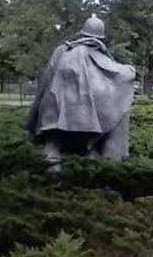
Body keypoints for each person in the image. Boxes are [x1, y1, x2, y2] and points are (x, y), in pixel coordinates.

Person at [27, 14, 136, 173]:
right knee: (101, 119)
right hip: (83, 114)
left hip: (55, 109)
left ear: (83, 32)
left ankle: (53, 159)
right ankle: (97, 160)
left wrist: (36, 115)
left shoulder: (62, 51)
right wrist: (130, 71)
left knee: (55, 133)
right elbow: (115, 72)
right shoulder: (97, 54)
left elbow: (45, 82)